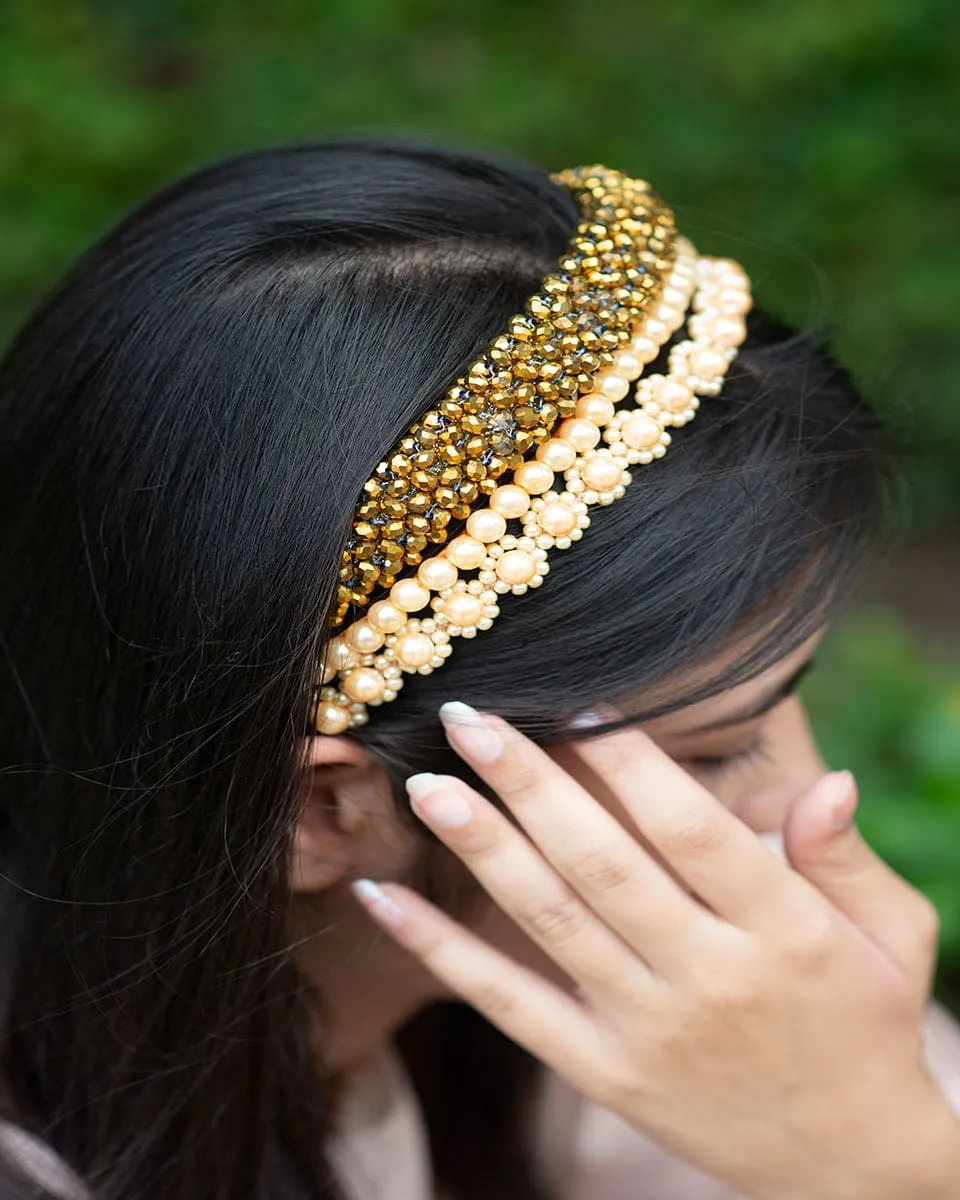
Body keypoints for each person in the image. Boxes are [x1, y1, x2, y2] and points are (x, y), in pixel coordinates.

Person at [0, 138, 958, 1200]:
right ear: (322, 810)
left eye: (786, 699)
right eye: (716, 751)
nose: (809, 797)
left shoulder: (689, 1041)